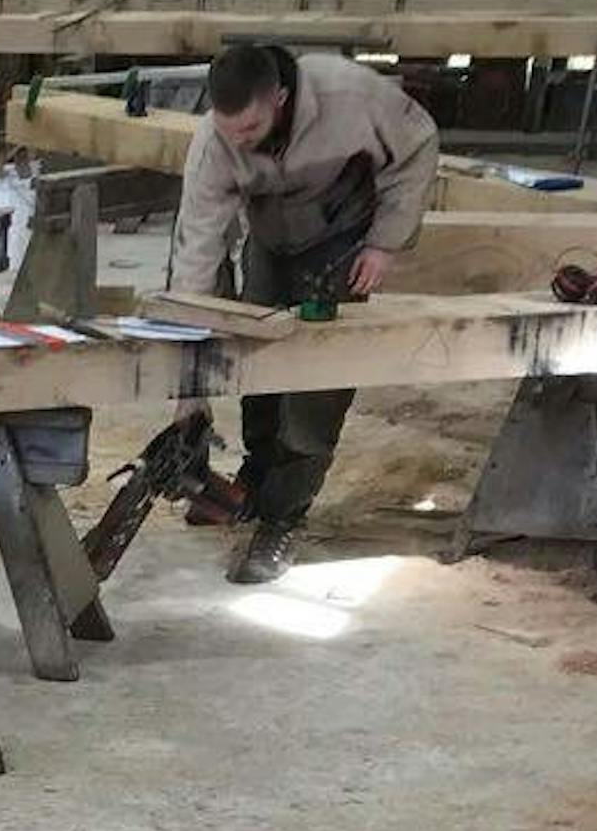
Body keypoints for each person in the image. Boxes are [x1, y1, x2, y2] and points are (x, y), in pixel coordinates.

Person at [165, 39, 441, 585]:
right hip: (271, 238)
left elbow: (418, 145)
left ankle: (283, 517)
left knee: (317, 383)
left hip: (343, 239)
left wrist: (385, 242)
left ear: (281, 98)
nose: (238, 141)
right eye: (228, 130)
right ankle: (257, 475)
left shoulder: (348, 94)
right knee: (258, 359)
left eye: (249, 128)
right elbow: (197, 247)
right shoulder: (214, 142)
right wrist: (189, 385)